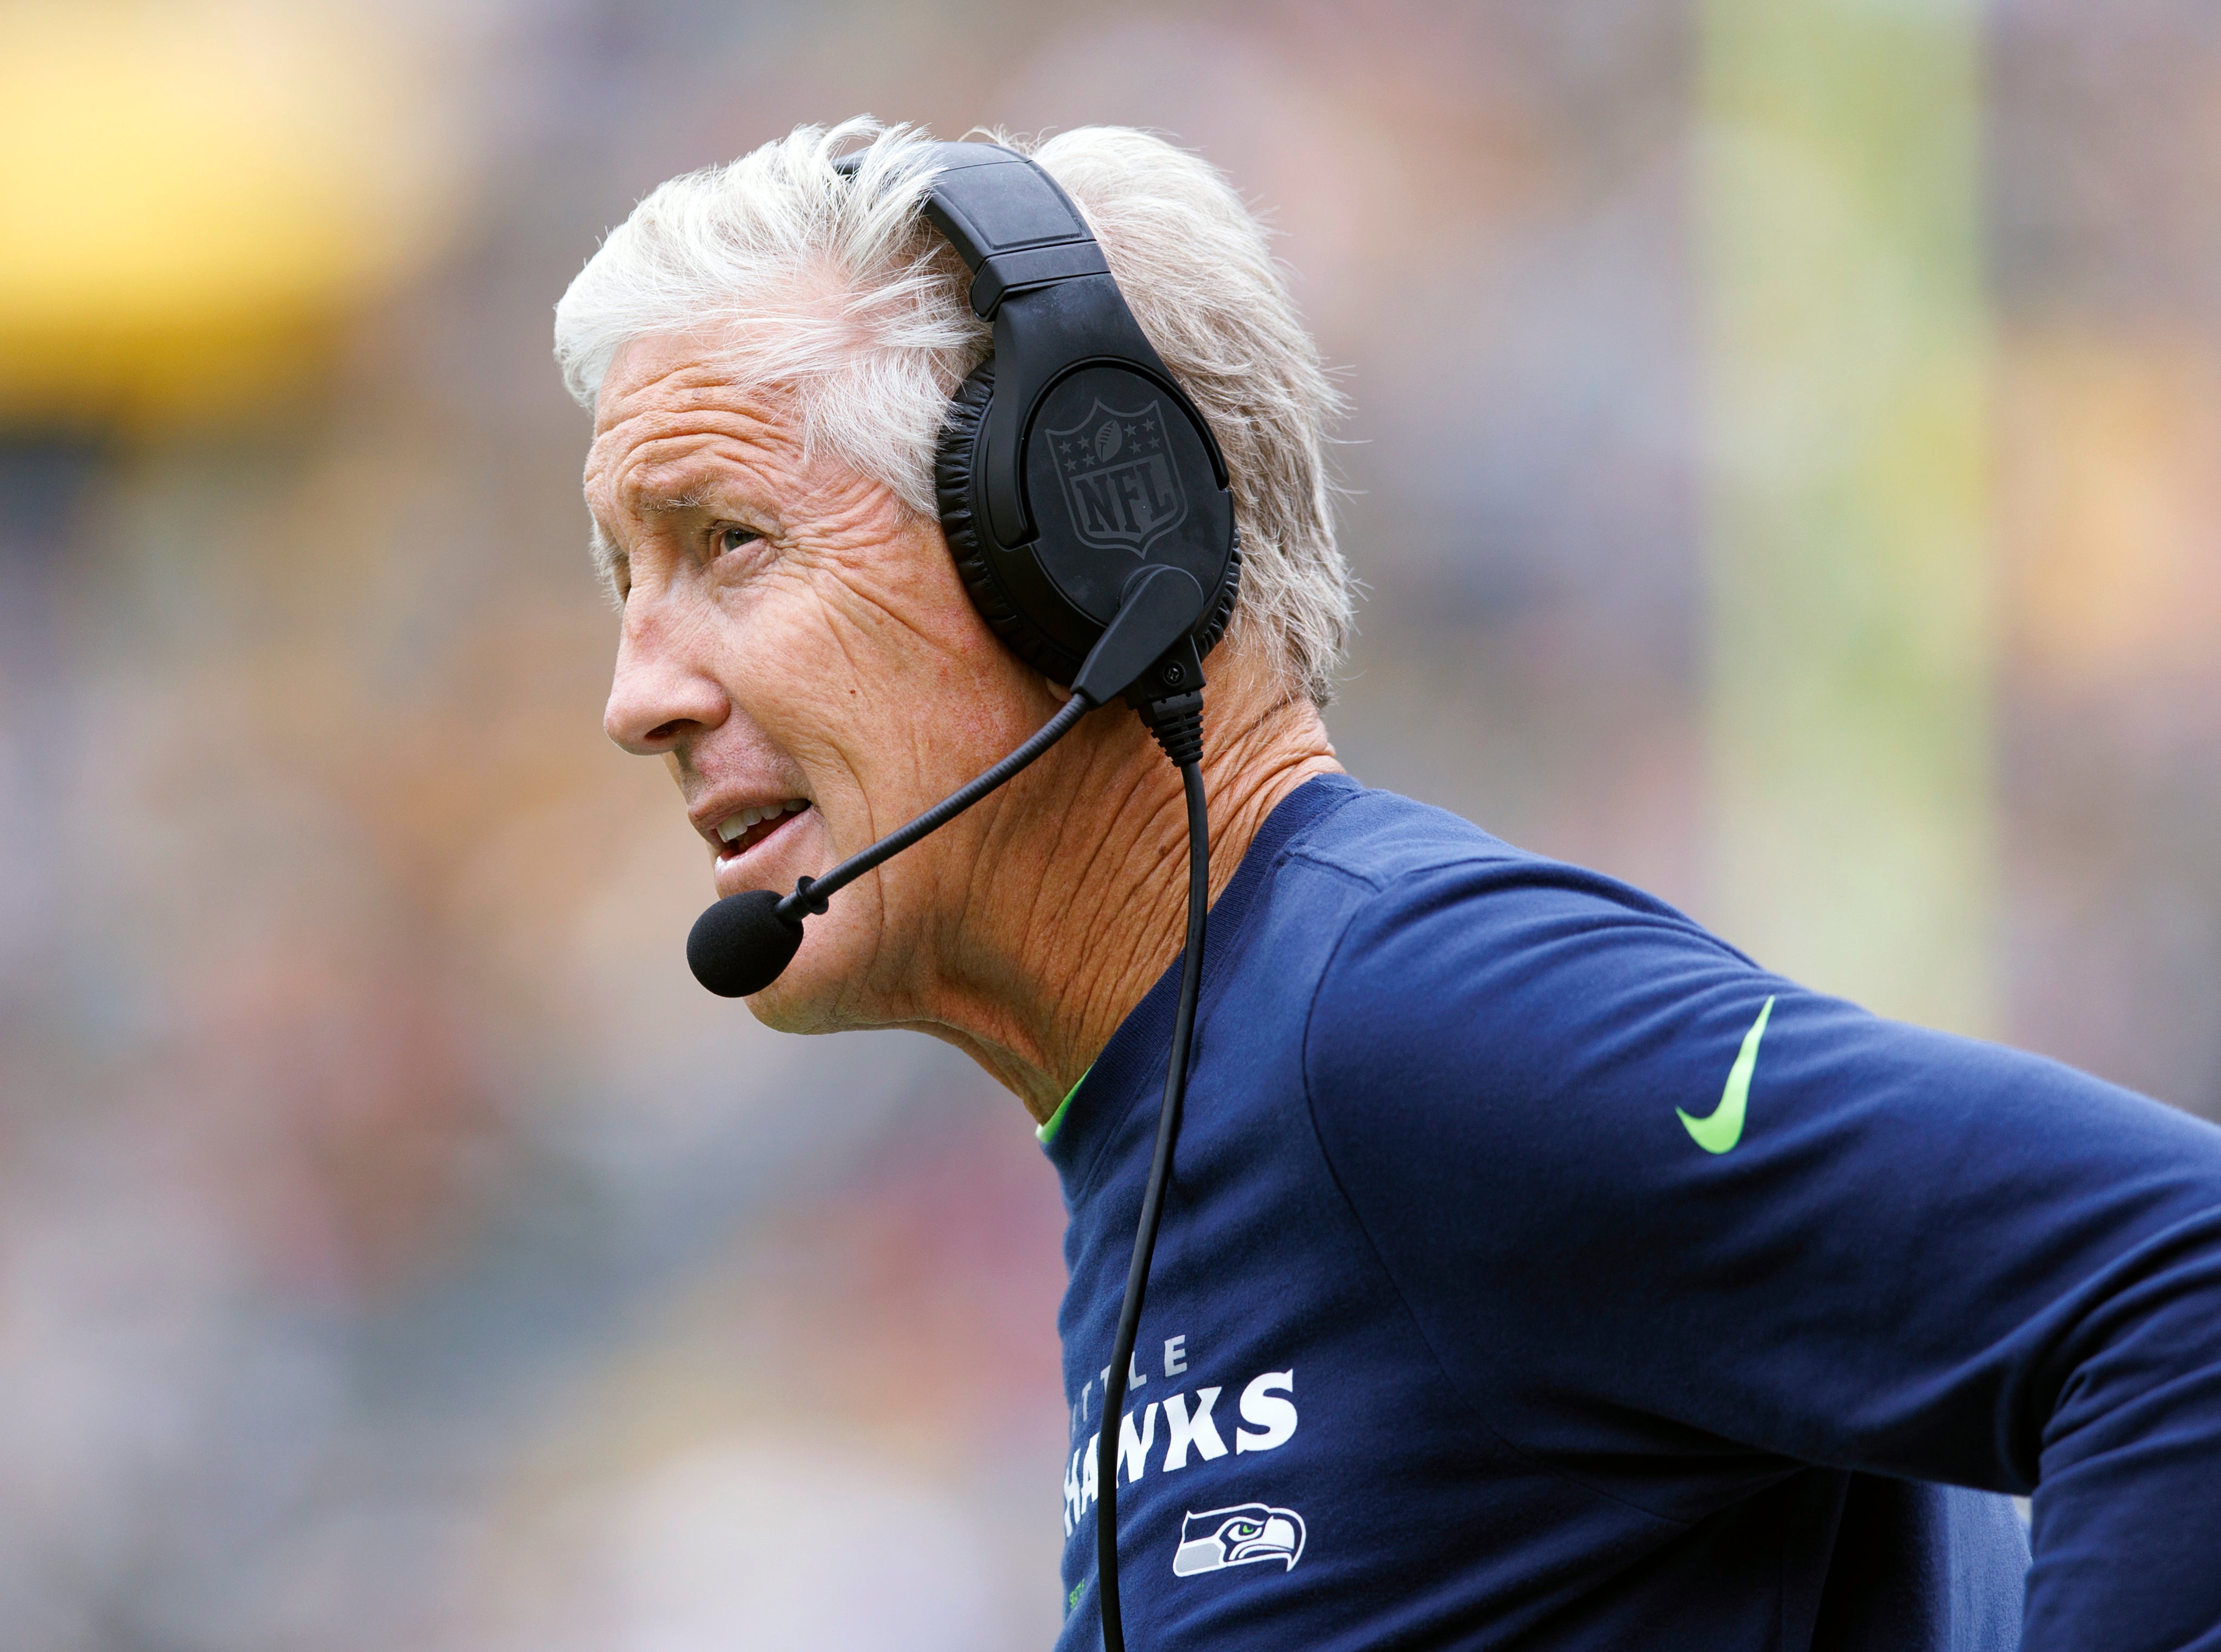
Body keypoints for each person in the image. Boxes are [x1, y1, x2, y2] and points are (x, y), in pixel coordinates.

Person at [553, 118, 2221, 1650]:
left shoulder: (1416, 1018)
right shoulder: (1185, 1111)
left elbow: (2182, 1287)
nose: (643, 697)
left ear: (1085, 542)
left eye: (729, 543)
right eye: (630, 579)